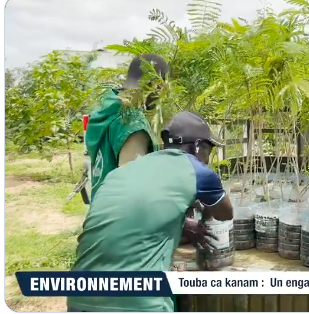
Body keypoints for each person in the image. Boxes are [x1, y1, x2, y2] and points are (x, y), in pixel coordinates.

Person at [67, 111, 233, 312]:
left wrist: (180, 226)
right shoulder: (199, 172)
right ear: (198, 146)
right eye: (209, 149)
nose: (207, 158)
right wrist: (204, 208)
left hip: (79, 298)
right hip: (138, 304)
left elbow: (125, 222)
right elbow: (225, 214)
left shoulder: (120, 173)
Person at [85, 53, 169, 200]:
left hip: (100, 208)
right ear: (156, 84)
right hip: (120, 217)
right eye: (163, 87)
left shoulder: (106, 107)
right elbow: (132, 188)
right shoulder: (132, 123)